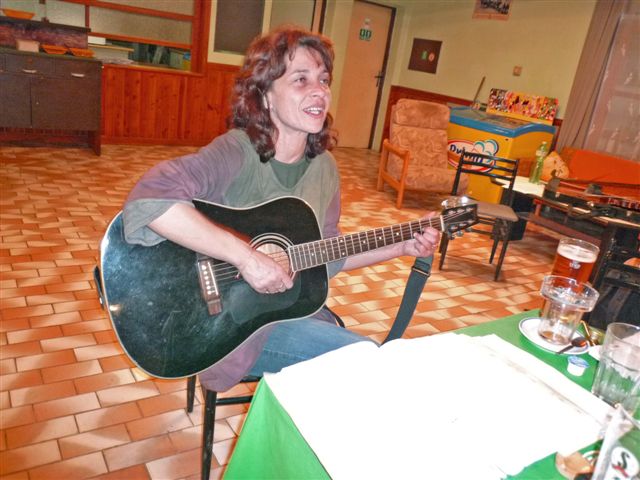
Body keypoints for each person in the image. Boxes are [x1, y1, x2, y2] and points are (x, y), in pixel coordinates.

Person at [123, 27, 440, 391]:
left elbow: (327, 256)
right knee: (362, 360)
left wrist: (401, 246)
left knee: (359, 361)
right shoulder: (236, 151)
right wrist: (246, 258)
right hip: (230, 326)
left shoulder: (324, 168)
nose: (319, 91)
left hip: (286, 310)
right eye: (301, 80)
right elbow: (150, 197)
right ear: (265, 95)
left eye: (323, 80)